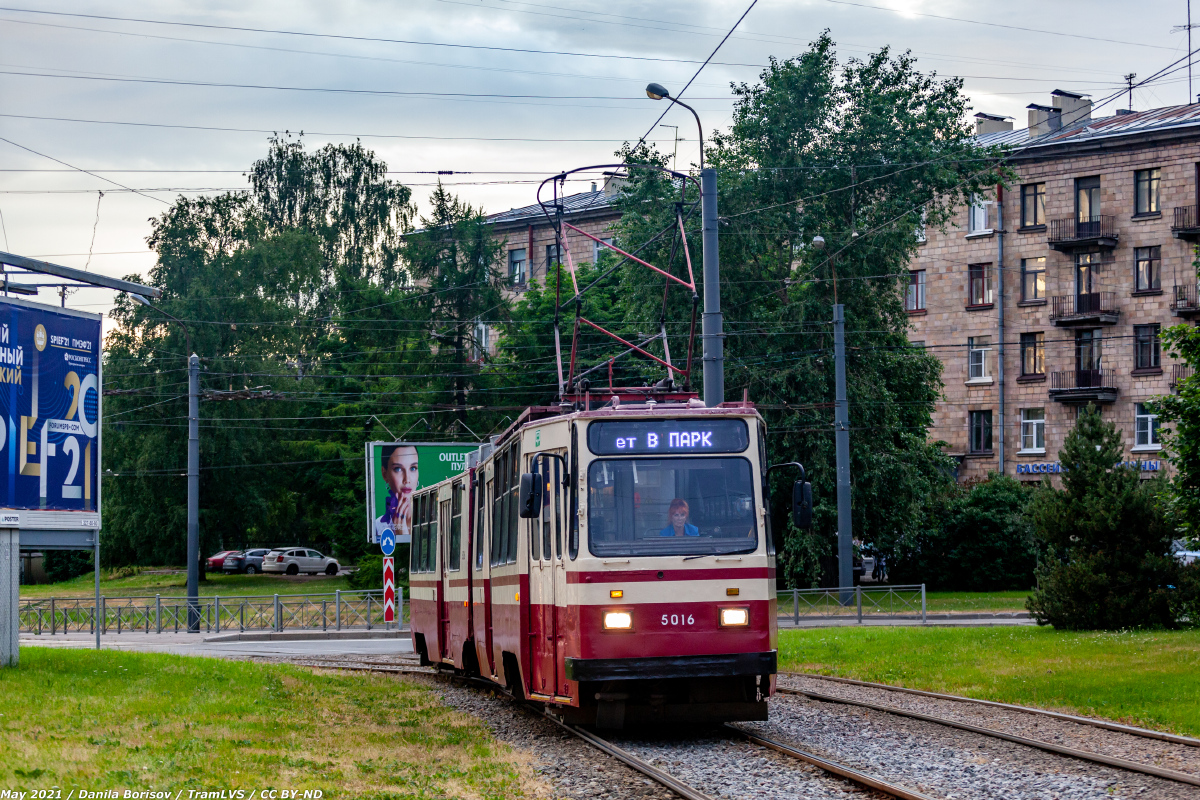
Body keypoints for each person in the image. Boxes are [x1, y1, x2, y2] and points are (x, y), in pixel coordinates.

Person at [374, 444, 419, 543]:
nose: (407, 479)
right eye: (398, 469)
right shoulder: (378, 527)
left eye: (413, 468)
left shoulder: (432, 520)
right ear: (385, 474)